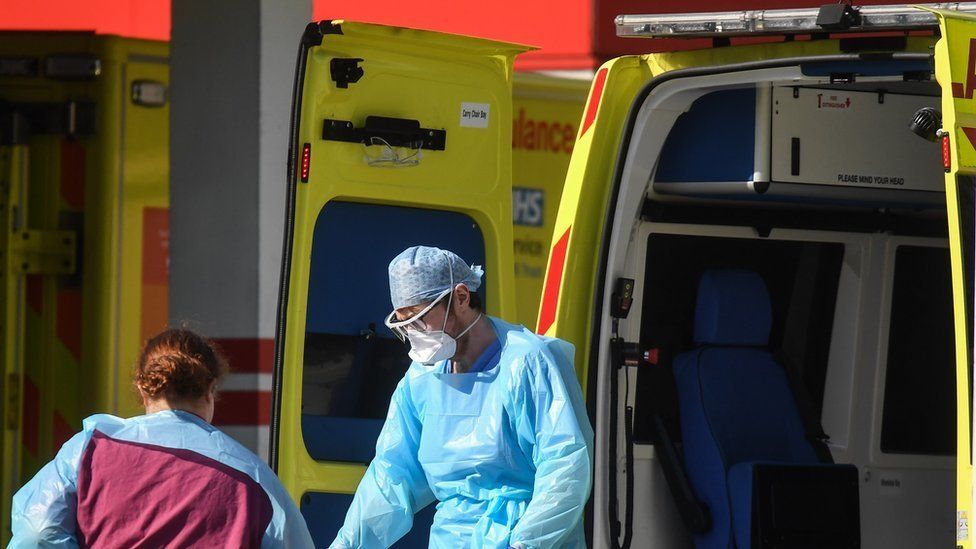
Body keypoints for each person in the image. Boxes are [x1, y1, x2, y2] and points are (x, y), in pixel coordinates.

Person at [330, 246, 593, 549]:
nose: (415, 334)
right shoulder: (421, 380)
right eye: (405, 325)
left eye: (419, 320)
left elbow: (566, 466)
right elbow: (391, 477)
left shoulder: (529, 363)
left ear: (461, 297)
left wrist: (525, 543)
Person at [9, 328, 315, 548]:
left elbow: (37, 531)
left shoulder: (89, 450)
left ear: (143, 390)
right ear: (211, 391)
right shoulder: (255, 480)